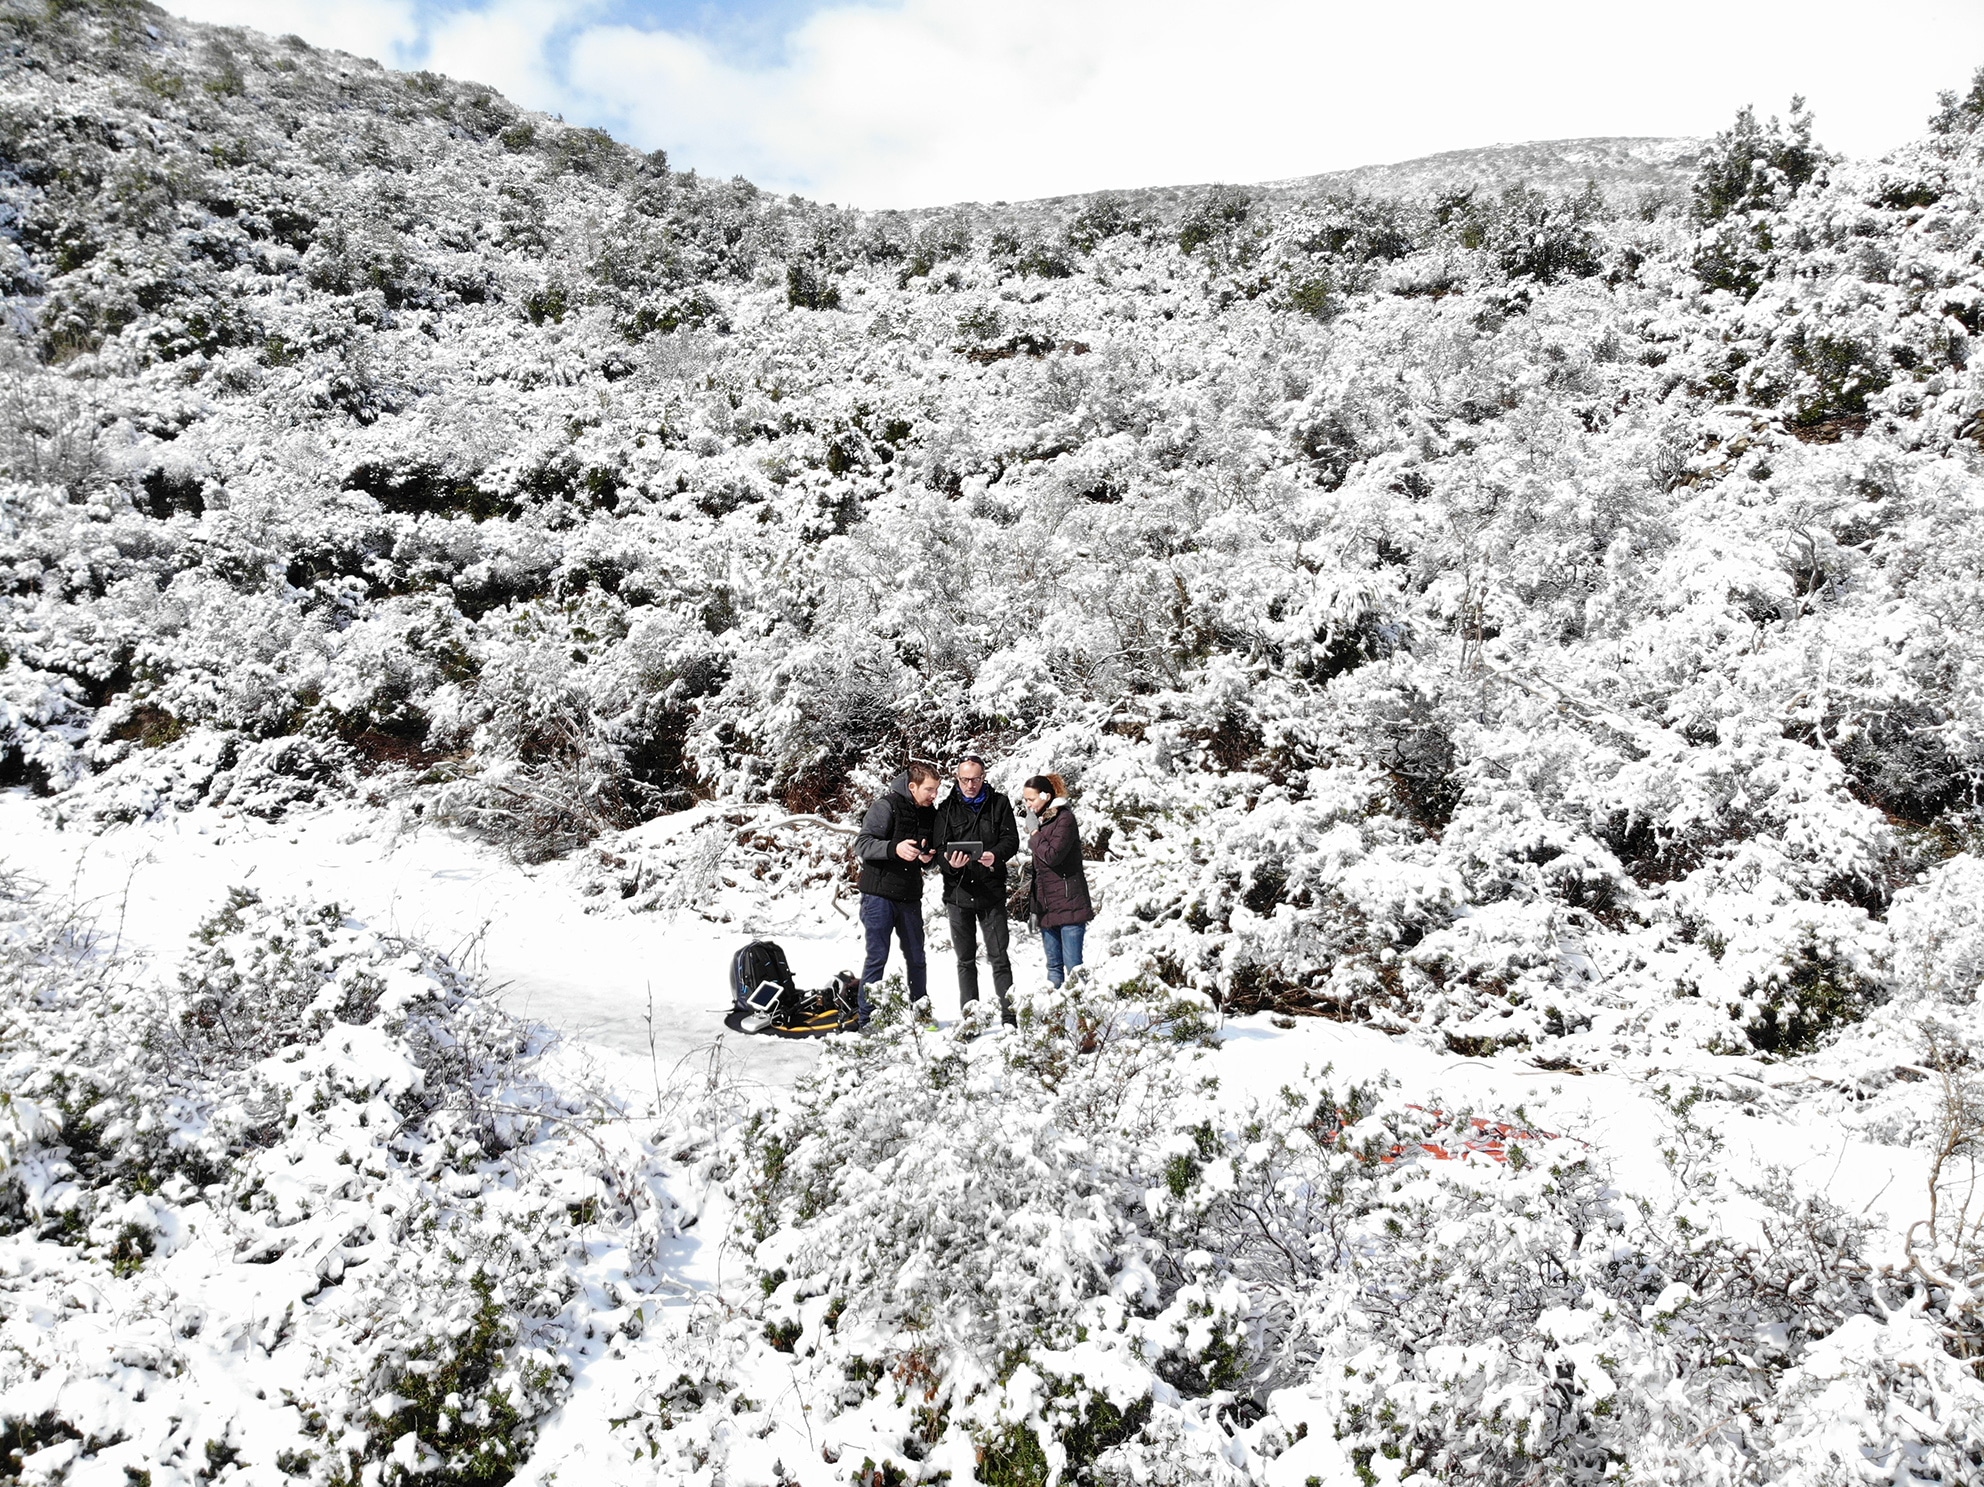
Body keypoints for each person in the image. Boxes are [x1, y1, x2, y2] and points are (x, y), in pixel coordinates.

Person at [934, 755, 1021, 1024]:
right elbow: (938, 850)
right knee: (965, 960)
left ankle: (1010, 1016)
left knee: (999, 957)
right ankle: (971, 1017)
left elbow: (1011, 840)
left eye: (976, 779)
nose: (971, 785)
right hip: (958, 893)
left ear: (984, 777)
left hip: (991, 891)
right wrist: (951, 864)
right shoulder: (946, 809)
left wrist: (995, 855)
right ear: (957, 779)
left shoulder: (999, 803)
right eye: (965, 779)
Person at [853, 761, 940, 1022]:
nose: (934, 795)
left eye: (937, 789)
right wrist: (894, 848)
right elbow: (863, 844)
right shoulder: (886, 806)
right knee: (877, 957)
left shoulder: (930, 813)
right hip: (878, 895)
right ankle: (867, 1018)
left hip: (910, 895)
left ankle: (922, 1014)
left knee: (917, 957)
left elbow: (931, 854)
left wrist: (929, 859)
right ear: (912, 786)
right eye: (929, 790)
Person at [1022, 773, 1094, 988]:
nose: (1028, 805)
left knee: (1074, 968)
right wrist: (1035, 908)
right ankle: (1056, 1017)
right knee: (1053, 966)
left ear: (1046, 795)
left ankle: (1084, 1017)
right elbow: (1039, 873)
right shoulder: (1043, 821)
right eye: (1025, 800)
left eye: (1031, 799)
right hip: (1047, 907)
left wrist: (1034, 833)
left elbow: (1053, 855)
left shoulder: (1064, 819)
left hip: (1069, 902)